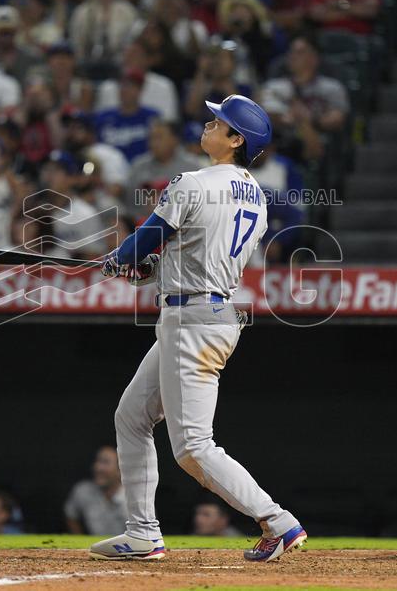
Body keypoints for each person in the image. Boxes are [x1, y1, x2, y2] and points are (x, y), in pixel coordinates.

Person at [89, 95, 306, 562]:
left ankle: (277, 521)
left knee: (193, 447)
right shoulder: (258, 197)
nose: (208, 124)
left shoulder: (192, 182)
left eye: (218, 122)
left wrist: (121, 259)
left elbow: (147, 239)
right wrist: (143, 267)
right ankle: (142, 532)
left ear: (236, 140)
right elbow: (192, 253)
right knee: (131, 416)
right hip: (207, 312)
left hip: (192, 321)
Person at [93, 69, 160, 162]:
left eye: (130, 86)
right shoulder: (103, 117)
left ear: (140, 90)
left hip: (144, 168)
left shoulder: (152, 117)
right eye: (122, 85)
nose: (125, 90)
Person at [65, 446, 127, 536]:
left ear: (120, 470)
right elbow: (70, 514)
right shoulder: (83, 491)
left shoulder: (135, 498)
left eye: (105, 462)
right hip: (94, 543)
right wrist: (79, 537)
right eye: (98, 461)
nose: (98, 467)